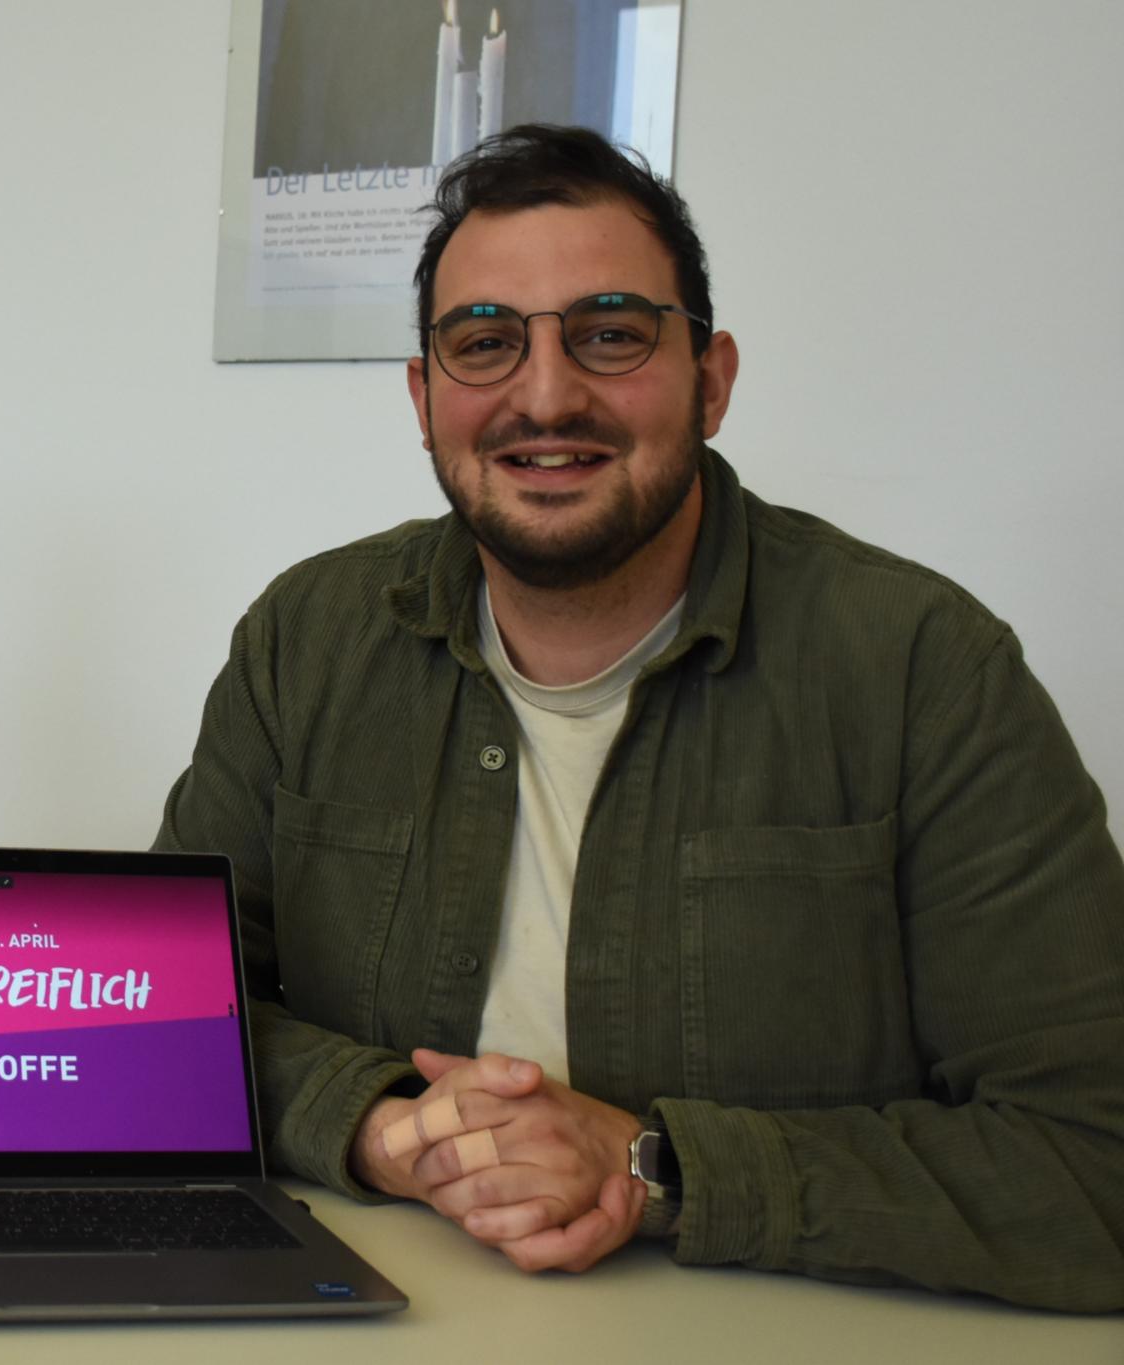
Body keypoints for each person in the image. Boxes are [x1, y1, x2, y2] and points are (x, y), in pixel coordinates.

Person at [156, 124, 1124, 1311]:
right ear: (422, 398)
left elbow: (1091, 1161)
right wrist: (378, 1125)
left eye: (610, 335)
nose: (545, 394)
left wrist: (651, 1169)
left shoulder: (923, 669)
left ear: (709, 380)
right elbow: (165, 1030)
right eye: (483, 343)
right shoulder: (302, 641)